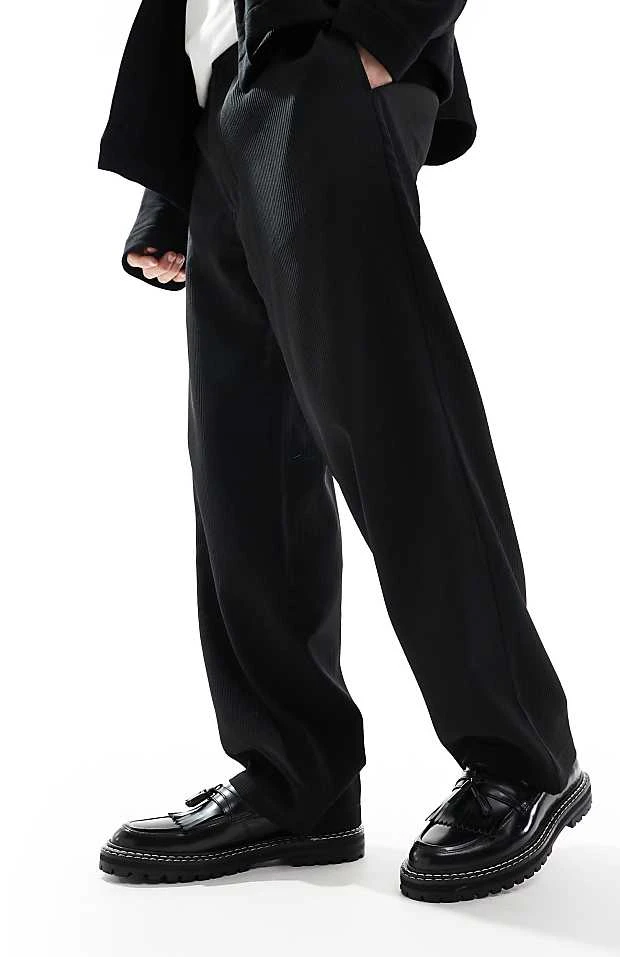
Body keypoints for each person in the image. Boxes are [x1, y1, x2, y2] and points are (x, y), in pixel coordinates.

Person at [97, 0, 590, 902]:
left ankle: (523, 756)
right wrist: (169, 181)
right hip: (220, 91)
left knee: (391, 420)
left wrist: (382, 30)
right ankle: (299, 778)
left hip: (322, 59)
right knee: (242, 452)